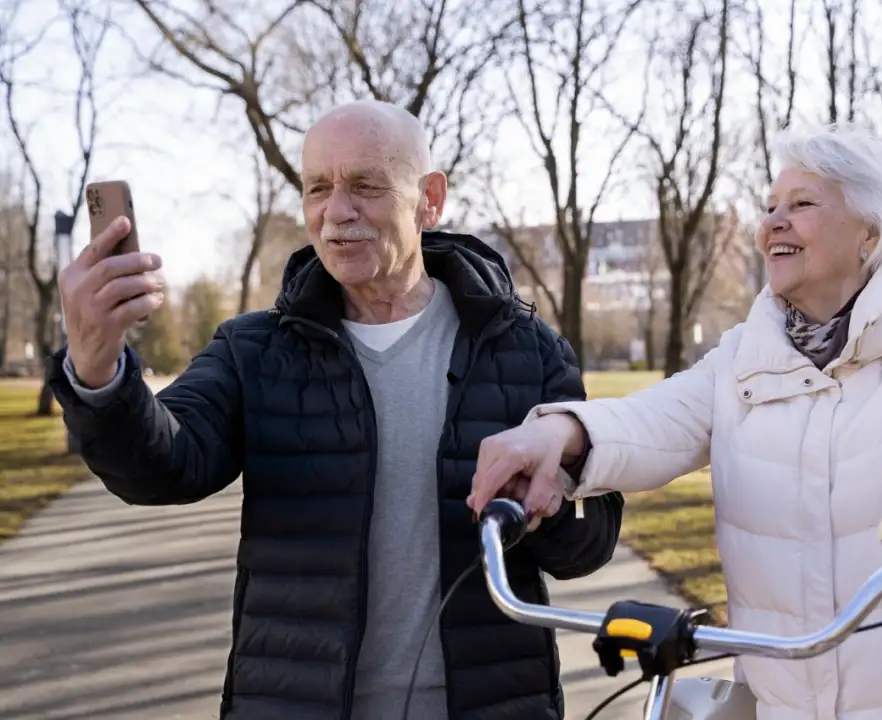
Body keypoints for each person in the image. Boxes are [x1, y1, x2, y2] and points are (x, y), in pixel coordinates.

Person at [50, 99, 625, 720]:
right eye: (317, 188)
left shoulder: (524, 347)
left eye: (366, 186)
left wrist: (544, 510)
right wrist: (98, 369)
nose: (335, 212)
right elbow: (162, 466)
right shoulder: (254, 349)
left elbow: (588, 544)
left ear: (429, 199)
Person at [469, 124, 882, 719]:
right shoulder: (740, 359)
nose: (773, 221)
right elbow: (651, 421)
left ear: (871, 234)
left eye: (802, 204)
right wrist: (560, 433)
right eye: (770, 207)